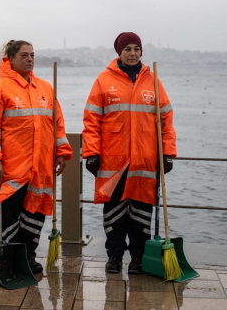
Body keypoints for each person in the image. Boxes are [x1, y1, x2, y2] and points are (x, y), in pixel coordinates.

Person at [82, 32, 176, 274]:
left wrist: (167, 153)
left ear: (141, 51)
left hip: (145, 162)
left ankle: (138, 258)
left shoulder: (153, 81)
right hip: (113, 162)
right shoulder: (103, 80)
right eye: (128, 50)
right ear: (119, 53)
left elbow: (166, 120)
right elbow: (92, 120)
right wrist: (90, 152)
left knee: (141, 213)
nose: (133, 53)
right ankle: (114, 256)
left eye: (136, 49)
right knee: (114, 213)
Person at [0, 40, 73, 273]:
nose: (30, 59)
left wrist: (62, 152)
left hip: (40, 166)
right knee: (9, 215)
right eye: (24, 55)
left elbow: (57, 124)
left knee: (34, 214)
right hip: (10, 168)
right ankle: (9, 259)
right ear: (10, 58)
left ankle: (28, 258)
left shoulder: (46, 88)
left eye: (32, 55)